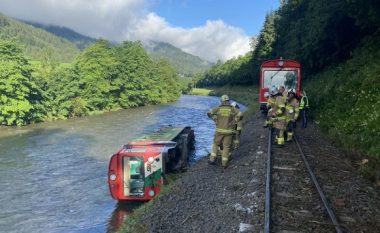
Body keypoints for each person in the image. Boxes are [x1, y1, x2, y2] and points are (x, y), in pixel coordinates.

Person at [207, 95, 242, 169]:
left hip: (219, 131)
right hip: (229, 131)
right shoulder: (233, 109)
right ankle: (224, 164)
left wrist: (215, 119)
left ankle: (212, 160)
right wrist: (235, 121)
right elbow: (240, 114)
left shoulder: (218, 108)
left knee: (216, 144)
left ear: (221, 101)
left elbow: (209, 113)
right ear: (228, 101)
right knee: (226, 147)